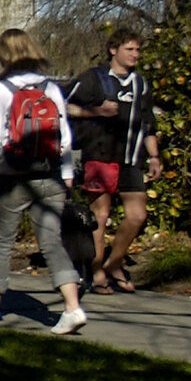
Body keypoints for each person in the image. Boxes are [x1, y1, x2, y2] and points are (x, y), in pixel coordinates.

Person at [0, 29, 87, 334]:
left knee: (2, 241)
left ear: (3, 54)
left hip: (14, 176)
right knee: (52, 241)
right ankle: (73, 307)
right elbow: (64, 135)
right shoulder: (51, 87)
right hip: (48, 172)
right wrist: (67, 174)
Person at [66, 25, 162, 293]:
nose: (135, 54)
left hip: (130, 159)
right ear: (113, 50)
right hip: (100, 156)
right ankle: (96, 271)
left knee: (137, 215)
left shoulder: (140, 83)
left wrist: (154, 156)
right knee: (101, 215)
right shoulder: (93, 78)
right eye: (129, 49)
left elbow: (148, 123)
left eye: (138, 50)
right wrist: (96, 111)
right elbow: (62, 104)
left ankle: (114, 263)